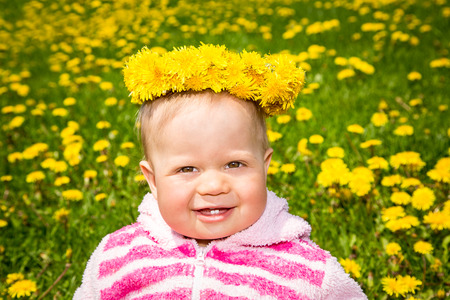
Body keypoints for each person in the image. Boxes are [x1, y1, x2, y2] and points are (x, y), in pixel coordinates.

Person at [74, 44, 367, 299]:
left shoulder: (306, 270)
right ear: (152, 180)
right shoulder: (118, 258)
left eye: (234, 164)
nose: (213, 185)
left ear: (264, 167)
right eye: (187, 169)